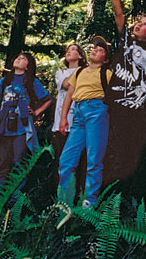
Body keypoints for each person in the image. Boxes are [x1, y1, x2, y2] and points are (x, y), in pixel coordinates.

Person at [101, 0, 146, 184]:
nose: (138, 24)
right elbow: (119, 14)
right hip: (118, 105)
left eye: (144, 24)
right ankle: (112, 202)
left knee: (137, 155)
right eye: (139, 21)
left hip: (144, 109)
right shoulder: (126, 41)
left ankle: (134, 200)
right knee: (115, 150)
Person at [0, 52, 52, 190]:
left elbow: (48, 99)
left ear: (28, 66)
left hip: (22, 126)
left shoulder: (31, 81)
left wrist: (36, 112)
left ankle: (16, 199)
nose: (19, 59)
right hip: (3, 126)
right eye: (18, 57)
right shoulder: (5, 80)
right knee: (2, 161)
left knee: (19, 161)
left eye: (23, 59)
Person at [57, 36, 113, 207]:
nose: (95, 50)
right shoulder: (79, 72)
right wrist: (63, 118)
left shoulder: (107, 73)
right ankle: (63, 205)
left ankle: (89, 203)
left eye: (101, 50)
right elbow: (69, 94)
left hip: (96, 111)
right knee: (66, 161)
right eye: (95, 48)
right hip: (78, 115)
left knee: (94, 158)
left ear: (106, 59)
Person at [52, 44, 87, 187]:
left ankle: (77, 195)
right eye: (68, 50)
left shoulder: (87, 73)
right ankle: (60, 197)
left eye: (73, 49)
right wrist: (81, 71)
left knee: (79, 161)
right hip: (60, 121)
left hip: (78, 122)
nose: (69, 51)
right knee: (61, 160)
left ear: (80, 56)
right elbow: (66, 84)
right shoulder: (60, 73)